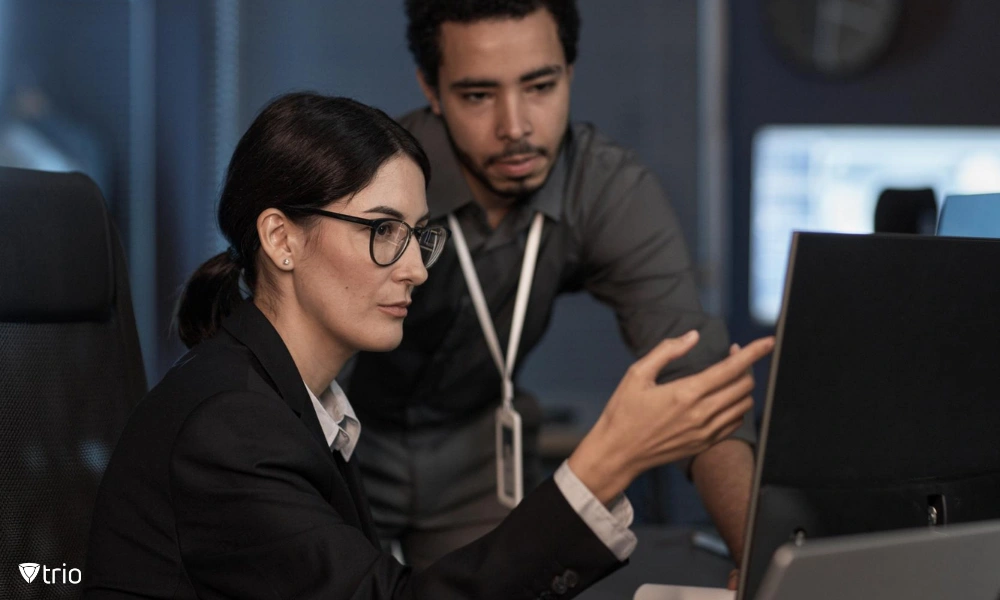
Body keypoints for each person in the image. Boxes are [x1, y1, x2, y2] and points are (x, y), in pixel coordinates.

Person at [82, 92, 773, 599]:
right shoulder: (232, 429)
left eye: (420, 235)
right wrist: (605, 462)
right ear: (281, 238)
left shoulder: (291, 404)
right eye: (383, 230)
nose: (415, 266)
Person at [345, 0, 758, 580]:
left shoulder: (605, 187)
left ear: (569, 70)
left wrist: (762, 566)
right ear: (431, 89)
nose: (515, 126)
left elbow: (698, 380)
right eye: (478, 96)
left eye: (540, 85)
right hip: (346, 442)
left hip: (479, 451)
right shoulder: (370, 179)